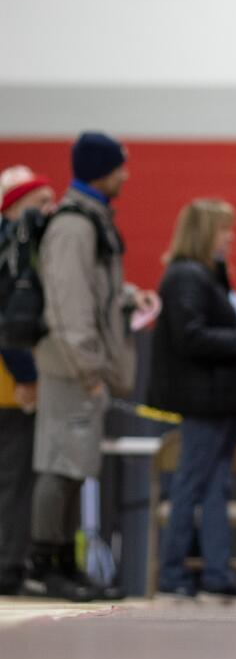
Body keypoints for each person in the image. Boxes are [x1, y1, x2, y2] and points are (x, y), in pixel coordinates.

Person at [25, 132, 157, 601]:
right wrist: (88, 365)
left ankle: (63, 564)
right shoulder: (73, 225)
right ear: (102, 169)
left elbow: (92, 291)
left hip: (76, 364)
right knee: (59, 465)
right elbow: (67, 304)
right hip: (69, 366)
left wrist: (127, 296)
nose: (126, 174)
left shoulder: (91, 220)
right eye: (120, 166)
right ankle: (46, 565)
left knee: (74, 464)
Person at [148, 199, 236, 597]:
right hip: (204, 399)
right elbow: (192, 337)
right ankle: (173, 572)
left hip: (217, 400)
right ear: (205, 233)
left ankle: (216, 572)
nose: (230, 236)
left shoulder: (204, 276)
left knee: (215, 485)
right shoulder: (188, 277)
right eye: (223, 229)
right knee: (192, 483)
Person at [0, 167, 56, 595]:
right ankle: (8, 566)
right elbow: (10, 323)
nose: (48, 211)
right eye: (40, 203)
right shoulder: (14, 249)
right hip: (10, 387)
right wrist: (27, 375)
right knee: (14, 482)